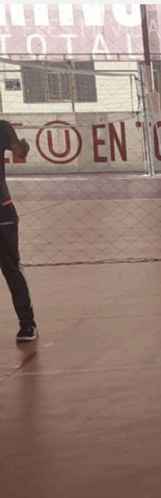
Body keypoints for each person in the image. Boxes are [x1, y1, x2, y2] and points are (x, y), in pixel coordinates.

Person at [0, 120, 37, 343]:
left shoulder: (2, 128)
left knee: (11, 268)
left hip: (2, 211)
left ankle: (27, 324)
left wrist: (21, 148)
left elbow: (20, 153)